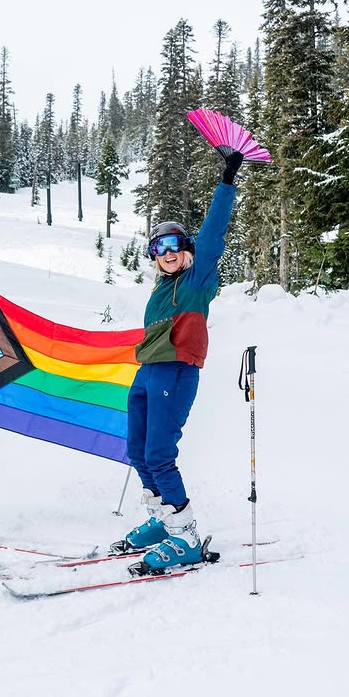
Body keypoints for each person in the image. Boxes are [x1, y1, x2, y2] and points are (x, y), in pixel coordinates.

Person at [113, 150, 244, 573]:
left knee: (159, 454)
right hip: (147, 373)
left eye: (173, 245)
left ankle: (185, 537)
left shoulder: (197, 278)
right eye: (158, 247)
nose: (166, 252)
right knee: (137, 450)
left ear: (186, 250)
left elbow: (213, 235)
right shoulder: (158, 290)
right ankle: (161, 519)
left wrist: (227, 179)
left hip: (176, 372)